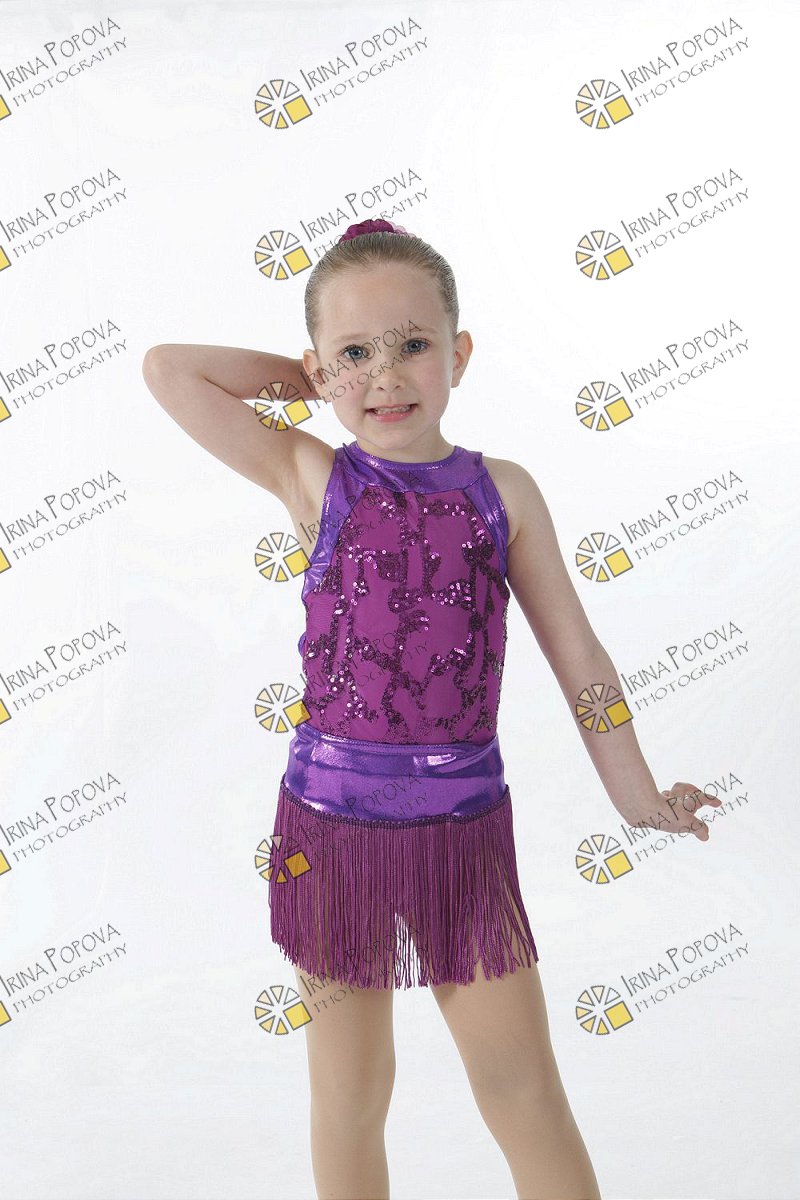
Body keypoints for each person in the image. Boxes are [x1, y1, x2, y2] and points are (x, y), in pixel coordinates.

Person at [141, 217, 721, 1200]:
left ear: (458, 355)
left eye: (411, 344)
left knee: (522, 1093)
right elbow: (170, 370)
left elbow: (578, 655)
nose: (384, 375)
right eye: (353, 355)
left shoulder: (503, 494)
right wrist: (309, 381)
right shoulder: (315, 476)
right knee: (351, 1093)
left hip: (462, 834)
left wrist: (637, 798)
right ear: (319, 369)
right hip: (329, 834)